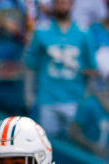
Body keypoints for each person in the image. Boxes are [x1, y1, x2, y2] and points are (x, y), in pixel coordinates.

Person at [26, 0, 94, 137]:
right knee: (47, 143)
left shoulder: (84, 32)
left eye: (66, 3)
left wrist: (85, 93)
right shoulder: (42, 31)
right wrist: (29, 96)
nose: (63, 6)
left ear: (72, 5)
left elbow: (91, 67)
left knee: (75, 143)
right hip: (48, 97)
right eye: (59, 3)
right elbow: (31, 63)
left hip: (74, 97)